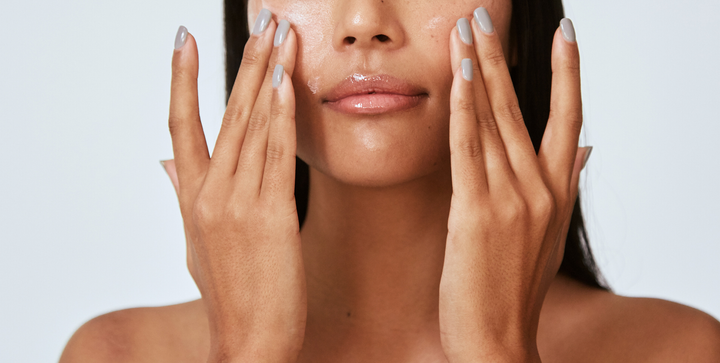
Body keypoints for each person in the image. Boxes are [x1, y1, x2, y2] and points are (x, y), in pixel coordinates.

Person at [59, 0, 720, 362]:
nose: (363, 21)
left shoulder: (678, 351)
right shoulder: (113, 355)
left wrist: (497, 351)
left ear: (518, 23)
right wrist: (246, 352)